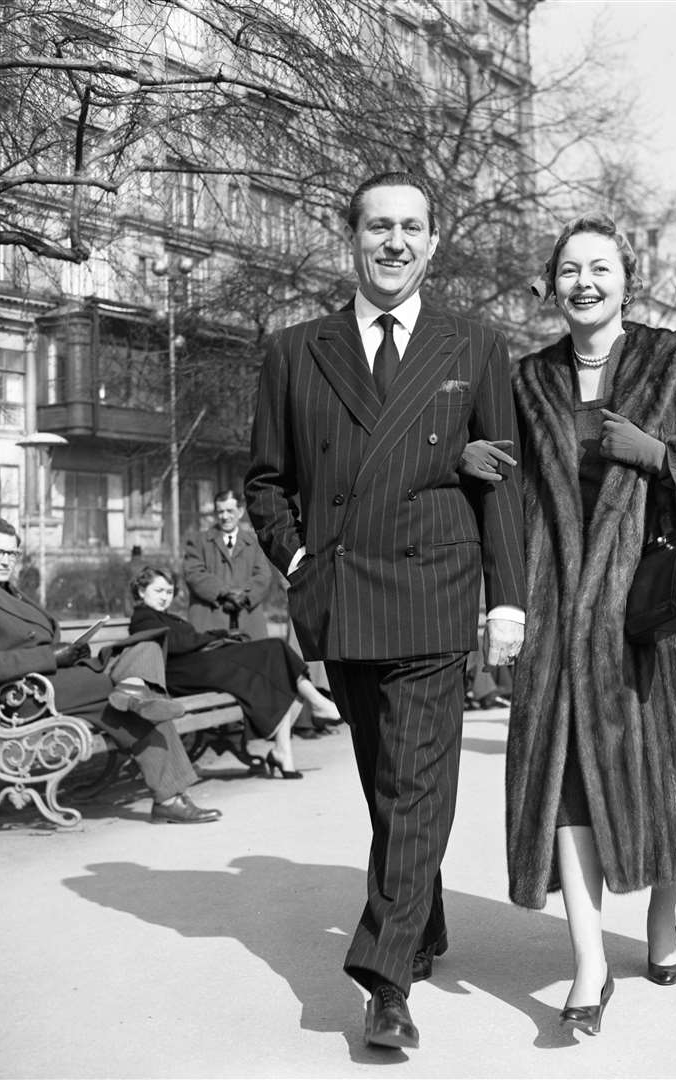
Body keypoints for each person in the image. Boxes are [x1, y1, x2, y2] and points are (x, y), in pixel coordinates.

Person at [468, 212, 676, 1036]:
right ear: (550, 284)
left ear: (626, 278)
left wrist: (665, 456)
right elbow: (503, 490)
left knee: (667, 776)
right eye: (569, 269)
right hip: (563, 618)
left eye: (599, 268)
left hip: (658, 616)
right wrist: (461, 465)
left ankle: (658, 919)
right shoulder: (524, 379)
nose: (583, 282)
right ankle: (586, 963)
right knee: (567, 787)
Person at [245, 171, 525, 1051]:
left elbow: (505, 490)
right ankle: (423, 918)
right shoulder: (295, 350)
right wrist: (297, 561)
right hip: (343, 593)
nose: (394, 242)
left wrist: (506, 600)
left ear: (434, 242)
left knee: (414, 782)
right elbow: (266, 481)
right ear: (351, 239)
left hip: (436, 591)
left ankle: (384, 977)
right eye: (377, 227)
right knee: (386, 783)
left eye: (410, 227)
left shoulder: (474, 344)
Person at [0, 518, 221, 825]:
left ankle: (134, 698)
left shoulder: (8, 592)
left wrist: (70, 652)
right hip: (26, 696)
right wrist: (51, 656)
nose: (5, 560)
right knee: (139, 703)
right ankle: (169, 797)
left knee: (148, 646)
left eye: (11, 553)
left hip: (56, 680)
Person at [128, 566, 342, 777]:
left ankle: (284, 752)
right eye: (158, 591)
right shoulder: (143, 618)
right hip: (182, 673)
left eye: (169, 591)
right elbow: (176, 645)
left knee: (276, 657)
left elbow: (185, 641)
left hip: (198, 666)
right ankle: (317, 704)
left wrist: (213, 637)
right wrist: (213, 637)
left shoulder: (165, 616)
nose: (165, 597)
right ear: (141, 591)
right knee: (273, 652)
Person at [183, 488, 276, 642]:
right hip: (210, 621)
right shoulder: (198, 541)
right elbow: (193, 574)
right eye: (220, 512)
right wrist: (223, 592)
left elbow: (264, 576)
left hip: (247, 620)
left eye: (230, 511)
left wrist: (244, 596)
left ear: (240, 511)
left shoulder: (253, 543)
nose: (225, 516)